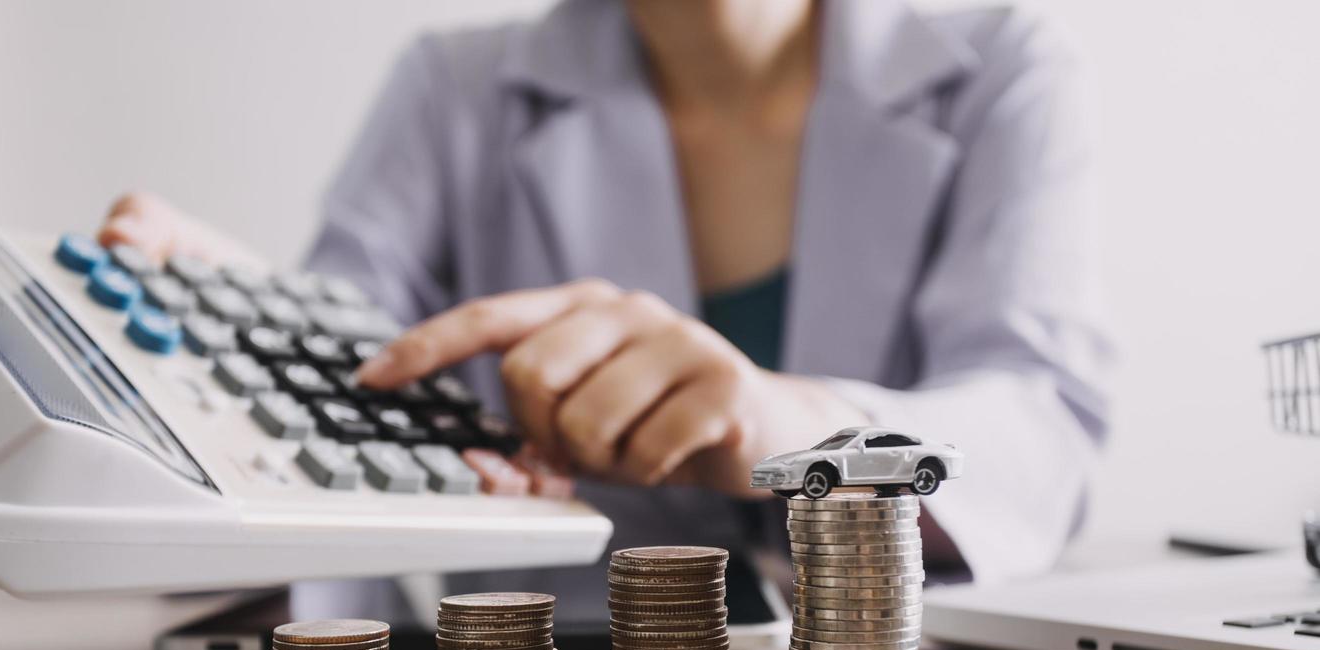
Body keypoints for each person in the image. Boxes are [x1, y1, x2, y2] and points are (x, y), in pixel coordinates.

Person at [99, 0, 1112, 602]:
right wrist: (244, 348)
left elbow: (1041, 436)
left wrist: (800, 429)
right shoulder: (451, 88)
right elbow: (339, 409)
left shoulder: (1002, 63)